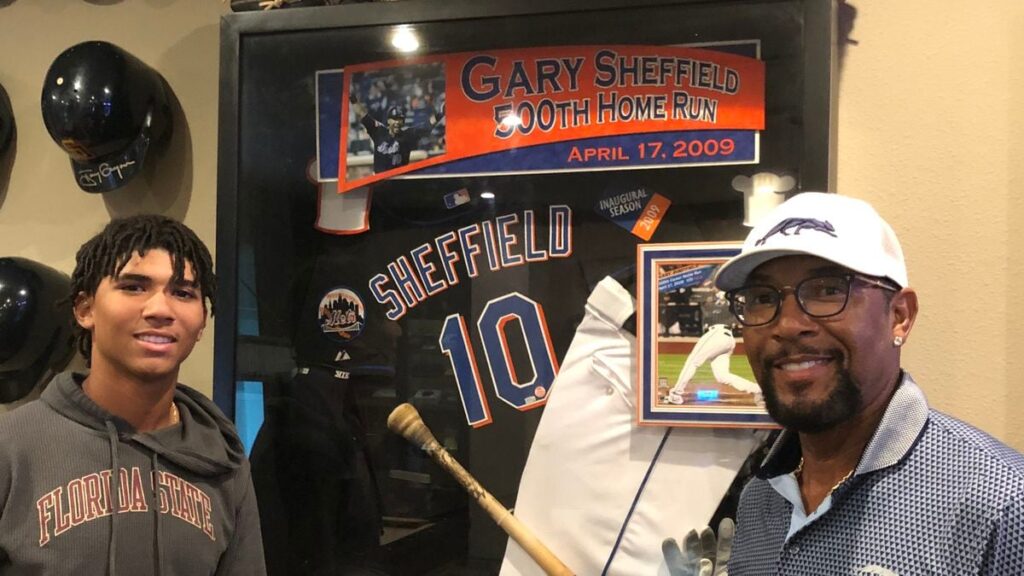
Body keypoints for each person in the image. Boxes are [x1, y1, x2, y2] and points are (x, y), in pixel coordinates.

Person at [709, 192, 1024, 574]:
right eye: (761, 297)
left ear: (899, 316)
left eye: (828, 290)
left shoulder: (1003, 501)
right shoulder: (761, 497)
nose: (788, 325)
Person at [0, 215, 266, 575]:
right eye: (134, 287)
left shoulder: (222, 456)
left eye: (183, 292)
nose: (160, 309)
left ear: (202, 320)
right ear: (85, 309)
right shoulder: (12, 445)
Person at [351, 95, 443, 173]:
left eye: (400, 119)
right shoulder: (378, 132)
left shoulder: (408, 135)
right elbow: (362, 113)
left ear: (403, 122)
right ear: (388, 121)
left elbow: (426, 126)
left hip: (399, 181)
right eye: (394, 119)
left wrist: (440, 113)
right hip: (379, 182)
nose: (397, 122)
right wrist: (353, 99)